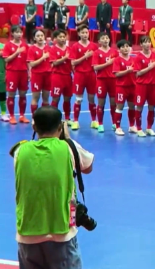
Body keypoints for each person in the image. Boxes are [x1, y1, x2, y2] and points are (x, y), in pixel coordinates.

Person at [13, 106, 94, 269]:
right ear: (60, 126)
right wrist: (67, 138)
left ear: (34, 127)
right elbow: (88, 167)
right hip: (61, 234)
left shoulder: (19, 151)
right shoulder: (69, 148)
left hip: (28, 234)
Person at [70, 25, 98, 130]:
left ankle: (94, 121)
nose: (85, 35)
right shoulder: (75, 46)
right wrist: (85, 56)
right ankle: (76, 121)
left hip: (91, 74)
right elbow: (73, 62)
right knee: (78, 99)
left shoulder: (94, 46)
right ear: (79, 34)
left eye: (86, 33)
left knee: (91, 99)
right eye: (83, 33)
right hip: (80, 75)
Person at [134, 36, 155, 137]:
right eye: (145, 42)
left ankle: (149, 128)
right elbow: (138, 74)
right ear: (141, 44)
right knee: (139, 107)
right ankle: (139, 128)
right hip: (142, 85)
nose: (147, 44)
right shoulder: (138, 57)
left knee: (152, 107)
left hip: (152, 85)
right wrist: (149, 68)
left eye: (149, 42)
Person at [3, 25, 29, 124]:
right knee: (11, 94)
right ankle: (12, 116)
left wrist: (29, 71)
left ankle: (22, 115)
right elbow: (6, 59)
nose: (19, 34)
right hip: (12, 72)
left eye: (20, 32)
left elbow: (27, 60)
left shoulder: (25, 45)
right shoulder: (8, 45)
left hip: (23, 72)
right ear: (12, 34)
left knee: (23, 94)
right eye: (16, 32)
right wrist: (16, 52)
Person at [92, 32, 117, 133]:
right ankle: (100, 124)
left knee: (113, 103)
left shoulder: (114, 52)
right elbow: (95, 68)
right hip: (102, 80)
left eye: (107, 38)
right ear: (99, 42)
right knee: (101, 103)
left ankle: (114, 123)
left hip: (113, 80)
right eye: (103, 38)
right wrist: (107, 63)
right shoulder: (97, 53)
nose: (106, 40)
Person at [112, 39, 137, 136]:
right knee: (119, 107)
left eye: (127, 46)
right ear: (119, 49)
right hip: (121, 87)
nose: (125, 48)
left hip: (132, 86)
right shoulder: (117, 60)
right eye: (123, 47)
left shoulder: (133, 60)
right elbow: (116, 74)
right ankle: (118, 127)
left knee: (132, 106)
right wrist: (127, 71)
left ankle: (131, 126)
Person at [49, 29, 73, 123]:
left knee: (68, 98)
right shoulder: (53, 49)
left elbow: (72, 64)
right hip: (57, 76)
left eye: (64, 36)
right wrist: (65, 58)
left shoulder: (69, 49)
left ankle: (67, 118)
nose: (62, 38)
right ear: (55, 38)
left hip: (68, 76)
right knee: (56, 98)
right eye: (60, 37)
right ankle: (53, 118)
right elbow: (54, 63)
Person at [27, 29, 52, 115]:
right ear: (34, 38)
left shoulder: (49, 48)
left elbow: (52, 62)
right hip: (37, 75)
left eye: (41, 35)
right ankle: (34, 118)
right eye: (38, 36)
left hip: (48, 75)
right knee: (36, 97)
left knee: (46, 97)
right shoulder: (32, 49)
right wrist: (42, 57)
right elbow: (32, 64)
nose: (40, 37)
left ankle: (44, 117)